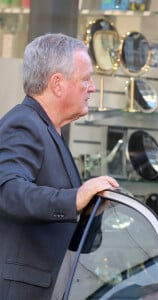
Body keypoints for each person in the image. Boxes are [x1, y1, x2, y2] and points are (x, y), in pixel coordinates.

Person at [0, 33, 119, 299]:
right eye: (85, 79)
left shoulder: (48, 129)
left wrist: (90, 210)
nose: (92, 88)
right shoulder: (24, 124)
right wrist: (75, 198)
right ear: (57, 84)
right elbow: (8, 191)